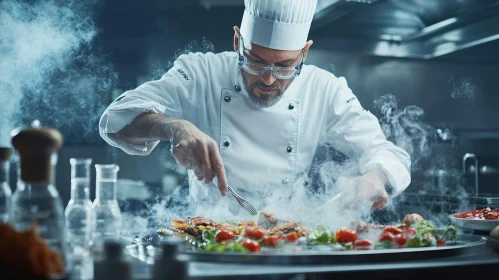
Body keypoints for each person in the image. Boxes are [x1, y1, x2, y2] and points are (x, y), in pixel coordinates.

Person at [99, 0, 411, 214]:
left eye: (286, 66)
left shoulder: (325, 88)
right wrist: (171, 127)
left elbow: (389, 154)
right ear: (237, 41)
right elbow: (115, 119)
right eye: (256, 62)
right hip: (206, 238)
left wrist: (374, 179)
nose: (270, 79)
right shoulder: (199, 72)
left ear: (304, 52)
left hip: (288, 242)